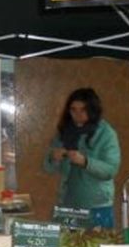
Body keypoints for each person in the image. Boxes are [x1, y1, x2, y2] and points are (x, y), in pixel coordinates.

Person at [43, 88, 121, 228]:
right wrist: (53, 157)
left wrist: (85, 162)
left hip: (96, 206)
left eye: (83, 110)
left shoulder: (106, 134)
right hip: (67, 203)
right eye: (73, 110)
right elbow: (48, 168)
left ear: (92, 110)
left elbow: (111, 170)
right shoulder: (65, 131)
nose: (77, 114)